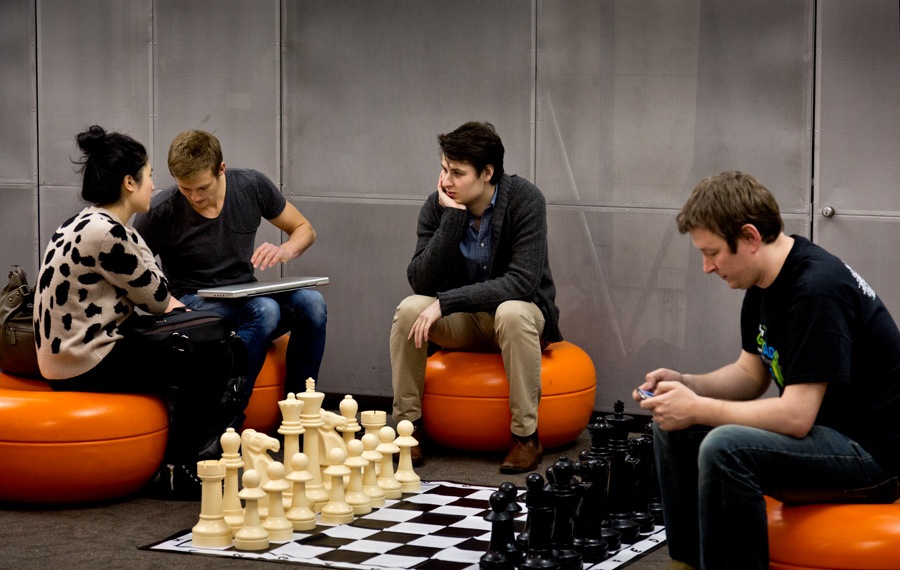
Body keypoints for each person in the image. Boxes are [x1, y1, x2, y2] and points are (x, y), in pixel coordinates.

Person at [635, 171, 900, 570]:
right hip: (825, 436)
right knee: (672, 427)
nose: (706, 267)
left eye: (712, 252)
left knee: (724, 447)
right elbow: (750, 375)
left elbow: (795, 416)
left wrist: (698, 408)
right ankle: (690, 562)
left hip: (872, 457)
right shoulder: (763, 282)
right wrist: (686, 385)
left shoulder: (816, 289)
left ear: (750, 237)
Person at [34, 125, 240, 499]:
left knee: (201, 343)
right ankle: (181, 469)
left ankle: (189, 454)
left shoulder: (83, 222)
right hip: (86, 361)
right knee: (214, 352)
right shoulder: (108, 234)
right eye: (149, 175)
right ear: (129, 183)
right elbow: (158, 298)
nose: (154, 185)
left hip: (73, 353)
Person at [390, 121, 562, 474]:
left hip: (517, 319)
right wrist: (453, 218)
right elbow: (420, 281)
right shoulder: (439, 205)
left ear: (487, 173)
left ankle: (526, 438)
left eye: (457, 173)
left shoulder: (525, 199)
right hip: (466, 323)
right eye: (443, 169)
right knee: (409, 309)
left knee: (512, 311)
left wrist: (446, 302)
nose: (446, 181)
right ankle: (409, 430)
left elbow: (522, 283)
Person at [133, 130, 327, 399]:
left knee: (313, 303)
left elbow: (305, 229)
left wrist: (285, 250)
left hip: (243, 294)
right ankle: (225, 411)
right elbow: (133, 268)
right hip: (192, 301)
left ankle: (300, 408)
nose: (195, 197)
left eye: (203, 188)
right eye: (185, 188)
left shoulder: (251, 185)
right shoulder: (161, 210)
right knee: (265, 310)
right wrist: (167, 303)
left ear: (221, 169)